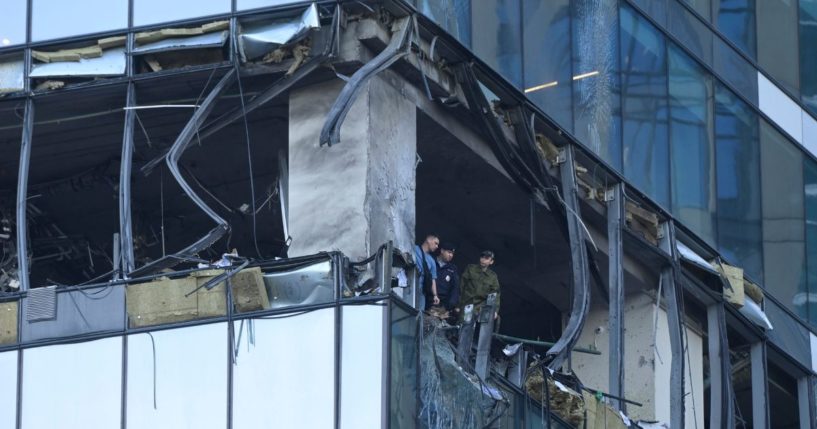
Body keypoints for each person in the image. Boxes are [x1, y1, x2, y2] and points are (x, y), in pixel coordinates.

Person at [459, 250, 500, 320]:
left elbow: (495, 294)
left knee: (480, 327)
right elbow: (461, 286)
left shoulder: (492, 277)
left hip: (480, 307)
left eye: (486, 258)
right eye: (482, 257)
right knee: (464, 325)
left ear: (491, 262)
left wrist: (495, 311)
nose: (483, 260)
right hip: (466, 304)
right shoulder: (470, 269)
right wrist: (458, 305)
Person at [432, 242, 460, 314]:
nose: (451, 255)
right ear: (442, 251)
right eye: (449, 252)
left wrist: (449, 306)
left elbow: (455, 288)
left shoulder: (453, 269)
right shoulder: (432, 261)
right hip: (428, 299)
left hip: (442, 305)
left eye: (452, 254)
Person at [414, 234, 439, 310]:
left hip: (421, 292)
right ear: (429, 240)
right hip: (410, 286)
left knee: (419, 315)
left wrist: (435, 295)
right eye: (436, 243)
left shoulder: (432, 261)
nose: (437, 246)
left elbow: (433, 279)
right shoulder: (414, 248)